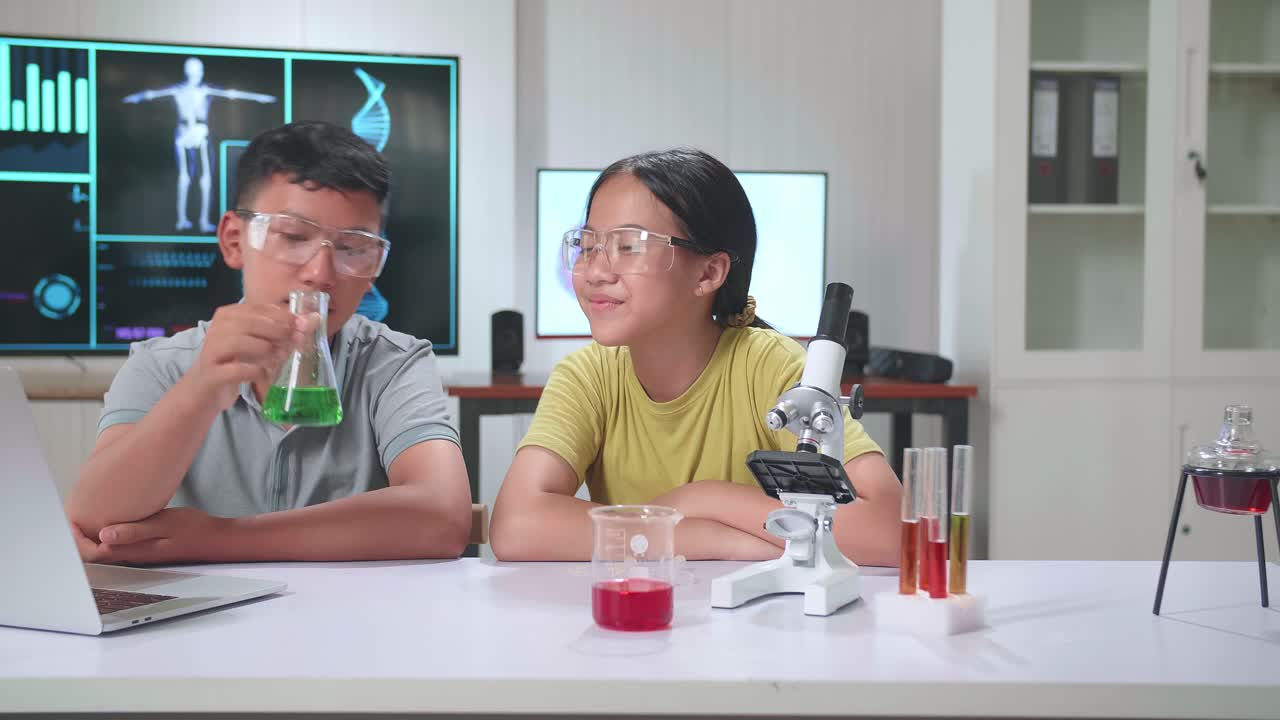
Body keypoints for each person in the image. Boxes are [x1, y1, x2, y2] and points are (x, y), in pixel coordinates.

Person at [66, 121, 471, 564]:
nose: (320, 273)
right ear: (234, 240)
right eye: (293, 237)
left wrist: (215, 539)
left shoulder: (392, 364)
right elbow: (95, 520)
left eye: (353, 248)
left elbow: (443, 516)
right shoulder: (163, 365)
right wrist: (200, 390)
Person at [490, 148, 901, 563]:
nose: (595, 271)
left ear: (709, 273)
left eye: (629, 246)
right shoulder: (588, 376)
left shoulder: (770, 366)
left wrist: (703, 498)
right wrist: (716, 540)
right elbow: (516, 526)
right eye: (588, 244)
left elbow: (890, 528)